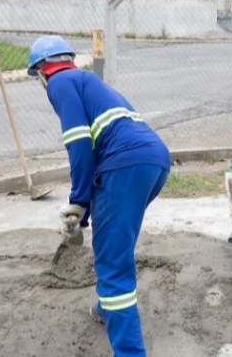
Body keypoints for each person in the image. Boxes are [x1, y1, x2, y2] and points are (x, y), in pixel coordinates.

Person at [28, 35, 171, 356]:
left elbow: (80, 145)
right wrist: (84, 217)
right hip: (154, 161)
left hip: (124, 165)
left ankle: (130, 351)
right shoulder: (88, 81)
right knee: (114, 243)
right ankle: (108, 307)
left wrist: (78, 200)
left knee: (112, 263)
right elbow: (99, 151)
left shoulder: (59, 83)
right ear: (68, 59)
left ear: (41, 71)